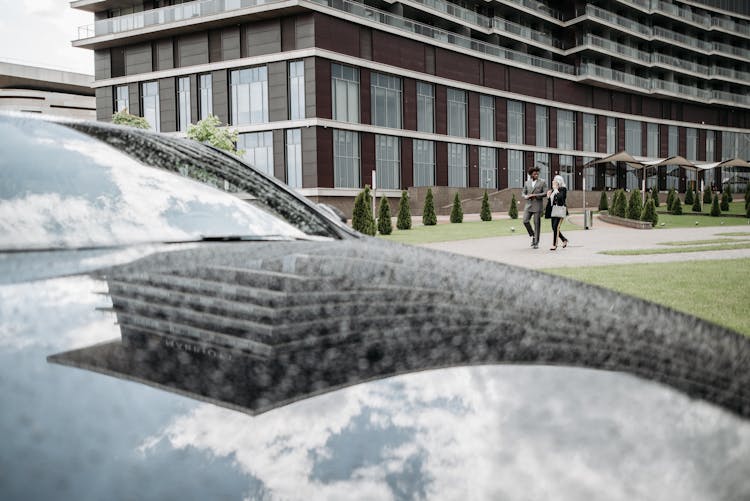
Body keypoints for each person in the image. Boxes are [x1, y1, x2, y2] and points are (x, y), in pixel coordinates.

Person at [522, 166, 547, 249]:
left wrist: (535, 195)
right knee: (525, 221)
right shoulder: (527, 183)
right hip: (528, 205)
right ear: (531, 174)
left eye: (537, 173)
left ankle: (536, 242)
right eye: (534, 174)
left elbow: (545, 193)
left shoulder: (542, 182)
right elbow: (523, 193)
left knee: (537, 224)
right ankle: (533, 234)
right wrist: (525, 196)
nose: (536, 175)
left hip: (537, 205)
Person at [547, 174, 569, 251]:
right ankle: (564, 240)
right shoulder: (553, 190)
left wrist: (556, 189)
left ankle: (554, 245)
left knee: (556, 227)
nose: (553, 183)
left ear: (558, 182)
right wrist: (549, 197)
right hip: (554, 211)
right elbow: (551, 202)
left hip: (560, 211)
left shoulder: (563, 189)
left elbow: (561, 198)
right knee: (553, 228)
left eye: (555, 182)